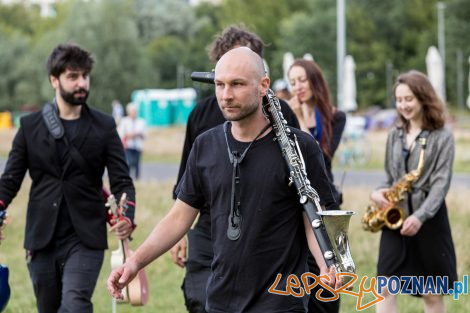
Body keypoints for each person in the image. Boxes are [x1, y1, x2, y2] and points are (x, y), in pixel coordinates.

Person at [108, 47, 341, 313]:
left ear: (263, 85)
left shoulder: (299, 147)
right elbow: (179, 217)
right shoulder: (205, 146)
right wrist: (135, 262)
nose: (226, 95)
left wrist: (326, 263)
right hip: (220, 301)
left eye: (237, 84)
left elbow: (313, 217)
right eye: (220, 85)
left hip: (279, 302)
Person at [170, 25, 300, 313]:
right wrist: (179, 235)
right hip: (207, 226)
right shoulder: (201, 115)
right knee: (199, 299)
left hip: (262, 231)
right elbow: (184, 182)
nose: (229, 91)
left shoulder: (281, 114)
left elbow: (300, 183)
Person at [0, 43, 136, 313]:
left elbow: (122, 181)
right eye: (72, 76)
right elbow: (9, 181)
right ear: (54, 80)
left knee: (75, 305)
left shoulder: (105, 126)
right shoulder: (30, 127)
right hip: (41, 238)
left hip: (86, 236)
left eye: (84, 76)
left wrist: (127, 216)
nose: (81, 83)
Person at [370, 70, 457, 313]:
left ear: (423, 98)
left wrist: (420, 217)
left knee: (431, 293)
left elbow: (441, 184)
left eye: (409, 99)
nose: (403, 105)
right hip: (395, 219)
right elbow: (390, 177)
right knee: (384, 287)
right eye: (399, 100)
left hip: (428, 221)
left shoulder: (443, 137)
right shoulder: (394, 134)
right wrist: (377, 193)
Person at [287, 59, 346, 313]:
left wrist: (298, 118)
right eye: (292, 82)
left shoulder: (334, 116)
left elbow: (320, 157)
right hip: (294, 202)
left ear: (315, 81)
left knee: (330, 263)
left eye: (302, 80)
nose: (298, 87)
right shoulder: (284, 115)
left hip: (324, 200)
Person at [118, 102, 146, 180]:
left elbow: (144, 134)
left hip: (137, 145)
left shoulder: (141, 122)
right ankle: (128, 178)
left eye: (135, 111)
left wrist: (135, 134)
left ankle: (137, 179)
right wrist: (129, 135)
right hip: (128, 145)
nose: (133, 113)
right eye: (132, 111)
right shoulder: (124, 121)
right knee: (129, 162)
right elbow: (121, 134)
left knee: (137, 163)